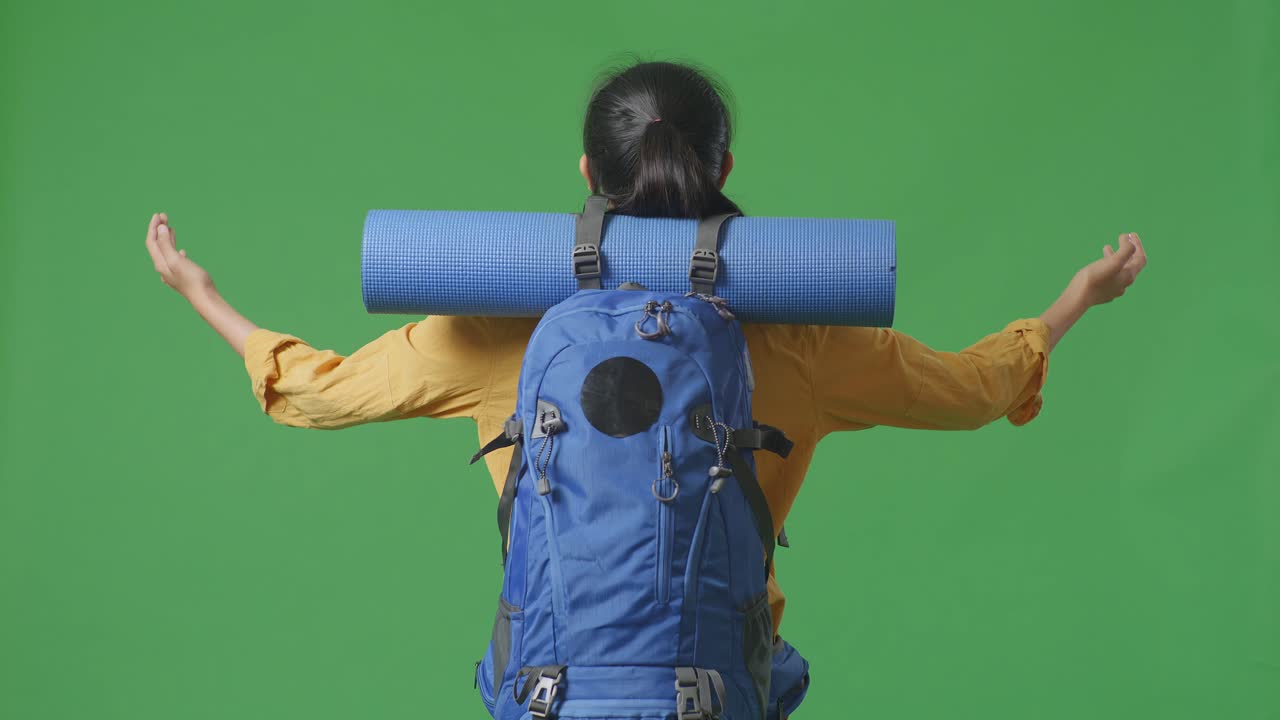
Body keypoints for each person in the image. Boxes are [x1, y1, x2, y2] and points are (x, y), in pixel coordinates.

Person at [143, 60, 1147, 715]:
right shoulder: (799, 337)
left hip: (549, 693)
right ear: (724, 166)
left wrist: (207, 297)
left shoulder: (499, 331)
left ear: (587, 168)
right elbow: (971, 388)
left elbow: (318, 391)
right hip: (716, 694)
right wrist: (1071, 302)